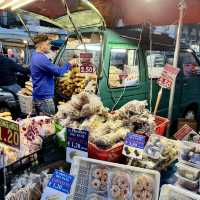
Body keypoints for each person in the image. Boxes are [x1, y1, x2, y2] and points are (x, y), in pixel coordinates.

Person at [30, 34, 77, 116]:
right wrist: (69, 63)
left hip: (39, 95)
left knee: (42, 122)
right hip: (44, 98)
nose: (50, 46)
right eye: (48, 44)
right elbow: (58, 72)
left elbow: (51, 70)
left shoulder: (35, 56)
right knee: (49, 123)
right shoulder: (41, 59)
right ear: (41, 45)